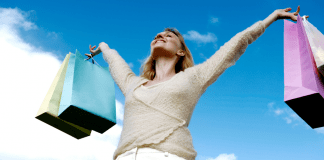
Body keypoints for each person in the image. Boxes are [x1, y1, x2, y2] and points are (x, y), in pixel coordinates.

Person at [86, 6, 308, 160]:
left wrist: (271, 18)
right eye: (157, 35)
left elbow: (236, 45)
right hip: (124, 155)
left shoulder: (193, 77)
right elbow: (115, 61)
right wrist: (103, 46)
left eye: (168, 36)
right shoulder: (132, 84)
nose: (159, 35)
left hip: (169, 156)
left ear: (181, 51)